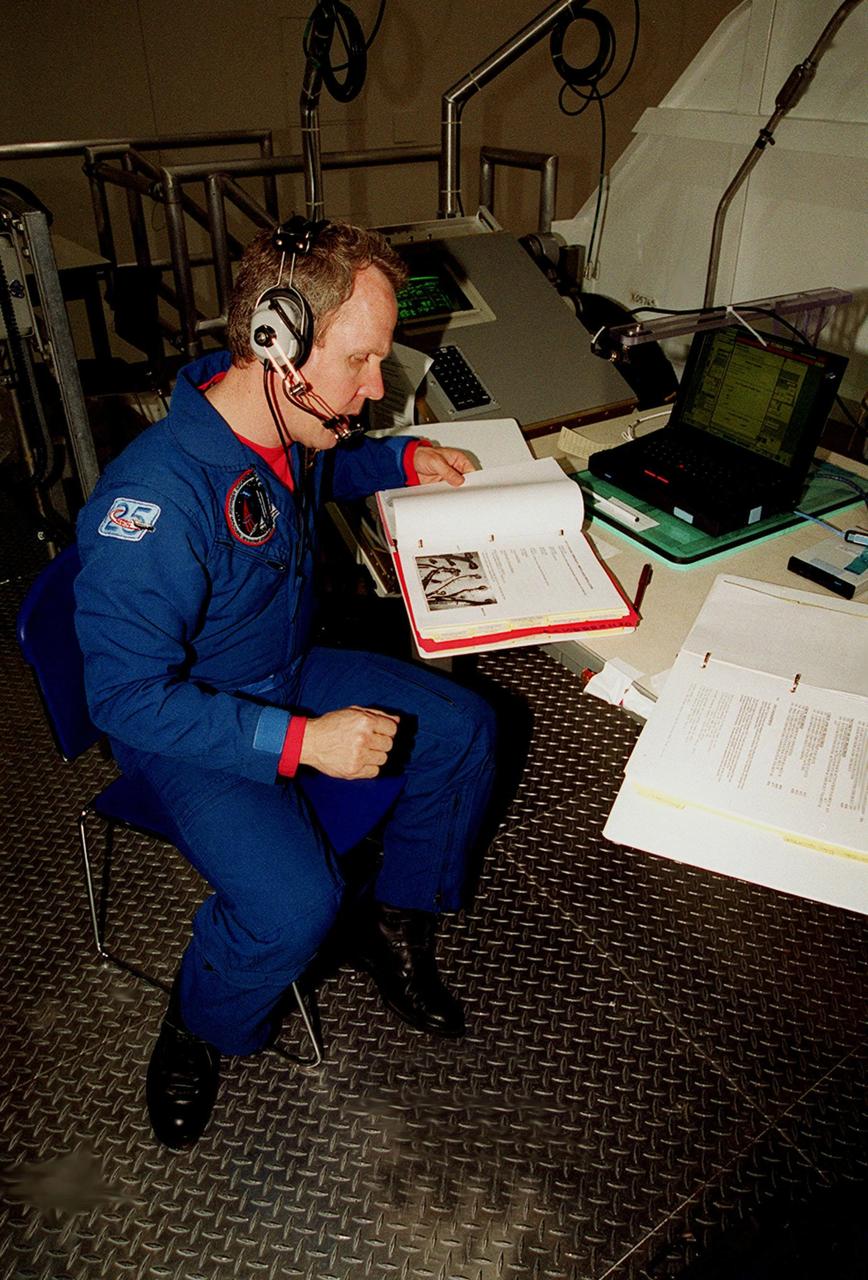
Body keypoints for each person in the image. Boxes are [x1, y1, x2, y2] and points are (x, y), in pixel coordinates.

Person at [74, 217, 497, 1150]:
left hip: (284, 667)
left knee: (463, 729)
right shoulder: (154, 502)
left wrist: (403, 459)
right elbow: (126, 699)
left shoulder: (284, 420)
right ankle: (200, 1017)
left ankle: (397, 918)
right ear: (277, 343)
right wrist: (303, 743)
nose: (376, 389)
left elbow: (322, 468)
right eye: (361, 362)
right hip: (186, 723)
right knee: (295, 906)